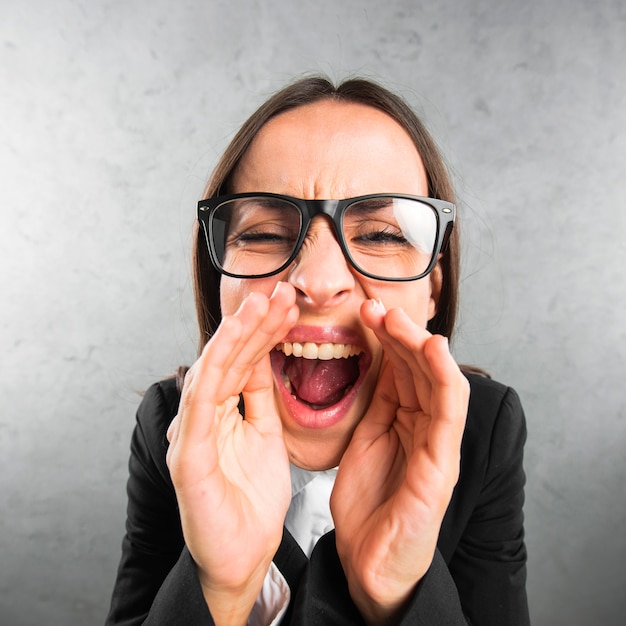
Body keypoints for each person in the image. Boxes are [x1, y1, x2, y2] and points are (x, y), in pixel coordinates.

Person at [106, 76, 529, 625]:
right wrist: (220, 588)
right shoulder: (173, 426)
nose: (320, 280)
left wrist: (393, 593)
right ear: (218, 282)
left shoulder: (485, 430)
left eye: (382, 235)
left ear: (434, 288)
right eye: (264, 233)